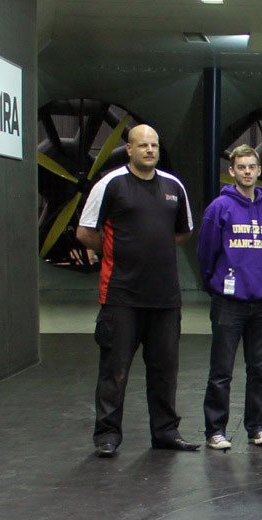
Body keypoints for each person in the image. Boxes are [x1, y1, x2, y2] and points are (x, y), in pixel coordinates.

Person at [75, 124, 196, 457]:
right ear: (129, 149)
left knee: (164, 371)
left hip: (165, 298)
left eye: (154, 145)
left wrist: (150, 246)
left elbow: (182, 232)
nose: (149, 150)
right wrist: (118, 251)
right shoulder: (111, 184)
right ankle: (108, 435)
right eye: (142, 145)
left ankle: (165, 432)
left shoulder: (174, 187)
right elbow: (86, 233)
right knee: (114, 371)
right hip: (121, 296)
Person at [196, 144, 262, 450]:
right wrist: (214, 284)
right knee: (221, 371)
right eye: (240, 167)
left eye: (251, 167)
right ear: (232, 171)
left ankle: (257, 428)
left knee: (260, 370)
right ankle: (215, 430)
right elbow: (206, 252)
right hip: (228, 303)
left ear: (259, 171)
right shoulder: (219, 207)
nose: (247, 172)